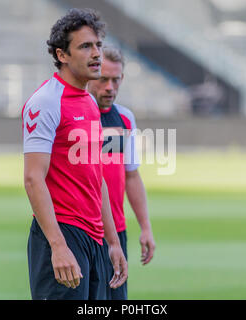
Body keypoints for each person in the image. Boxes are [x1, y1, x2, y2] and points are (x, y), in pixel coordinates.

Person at [22, 9, 127, 300]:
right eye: (85, 46)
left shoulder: (90, 103)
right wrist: (57, 246)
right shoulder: (45, 102)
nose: (96, 54)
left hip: (95, 239)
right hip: (63, 234)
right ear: (62, 55)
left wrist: (113, 242)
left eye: (98, 45)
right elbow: (33, 179)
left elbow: (99, 178)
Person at [88, 47, 156, 300]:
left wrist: (145, 227)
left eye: (115, 80)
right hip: (82, 231)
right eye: (103, 79)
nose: (110, 87)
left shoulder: (124, 119)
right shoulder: (75, 117)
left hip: (116, 230)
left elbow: (131, 176)